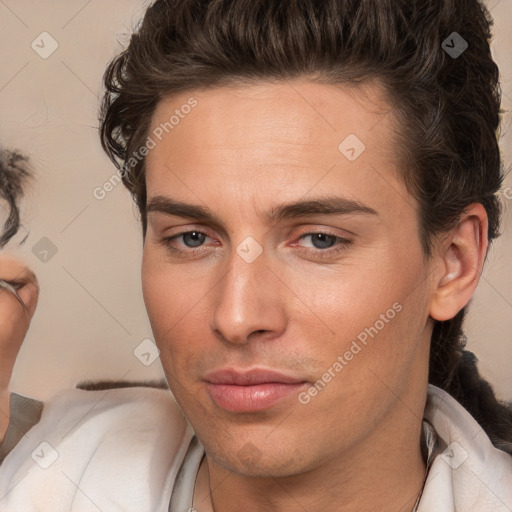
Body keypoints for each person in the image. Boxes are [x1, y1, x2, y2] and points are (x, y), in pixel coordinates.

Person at [1, 0, 512, 510]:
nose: (236, 317)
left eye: (319, 239)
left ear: (454, 261)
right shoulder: (38, 473)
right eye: (193, 238)